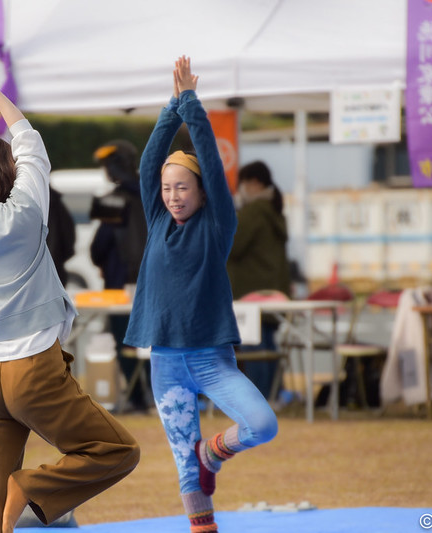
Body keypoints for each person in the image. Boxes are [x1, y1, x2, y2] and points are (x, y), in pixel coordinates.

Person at [0, 41, 139, 533]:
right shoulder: (26, 212)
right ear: (8, 174)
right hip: (34, 368)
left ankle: (15, 499)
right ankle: (34, 489)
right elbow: (29, 142)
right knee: (118, 449)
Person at [124, 56, 278, 533]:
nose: (173, 195)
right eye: (168, 189)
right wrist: (171, 107)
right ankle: (202, 524)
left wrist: (191, 105)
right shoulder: (156, 223)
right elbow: (150, 162)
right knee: (186, 474)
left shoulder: (217, 224)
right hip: (167, 360)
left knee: (262, 424)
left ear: (202, 192)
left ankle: (214, 451)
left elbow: (209, 161)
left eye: (182, 188)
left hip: (212, 359)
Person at [89, 139, 149, 413]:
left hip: (119, 285)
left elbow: (99, 246)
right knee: (152, 341)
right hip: (152, 283)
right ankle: (153, 394)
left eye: (107, 165)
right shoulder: (155, 192)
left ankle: (138, 398)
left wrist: (100, 260)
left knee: (125, 341)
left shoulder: (112, 198)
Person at [226, 160, 291, 398]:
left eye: (242, 184)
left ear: (253, 183)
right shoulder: (274, 210)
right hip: (274, 290)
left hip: (249, 291)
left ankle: (260, 397)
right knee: (268, 347)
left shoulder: (254, 211)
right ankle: (273, 394)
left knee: (253, 347)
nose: (240, 190)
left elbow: (232, 246)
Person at [46, 185, 76, 287]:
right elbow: (68, 236)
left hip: (33, 274)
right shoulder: (56, 203)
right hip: (56, 270)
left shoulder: (20, 204)